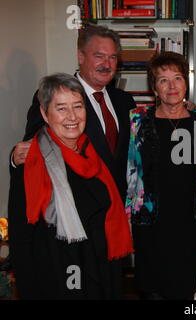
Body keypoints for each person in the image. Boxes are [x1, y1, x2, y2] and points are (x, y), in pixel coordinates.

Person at [8, 73, 133, 299]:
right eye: (61, 108)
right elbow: (21, 238)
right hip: (60, 277)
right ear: (45, 114)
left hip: (100, 270)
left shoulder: (91, 153)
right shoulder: (32, 162)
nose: (72, 116)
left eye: (78, 106)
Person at [12, 25, 136, 201]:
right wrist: (14, 158)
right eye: (99, 56)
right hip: (78, 209)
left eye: (112, 57)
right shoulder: (55, 98)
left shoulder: (125, 101)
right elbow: (32, 149)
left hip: (121, 209)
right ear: (81, 56)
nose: (107, 64)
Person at [126, 52, 196, 300]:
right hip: (150, 222)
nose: (172, 86)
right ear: (154, 88)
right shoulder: (138, 121)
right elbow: (131, 170)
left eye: (178, 78)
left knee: (183, 291)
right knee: (152, 291)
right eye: (163, 80)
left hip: (189, 223)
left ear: (186, 83)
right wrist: (129, 213)